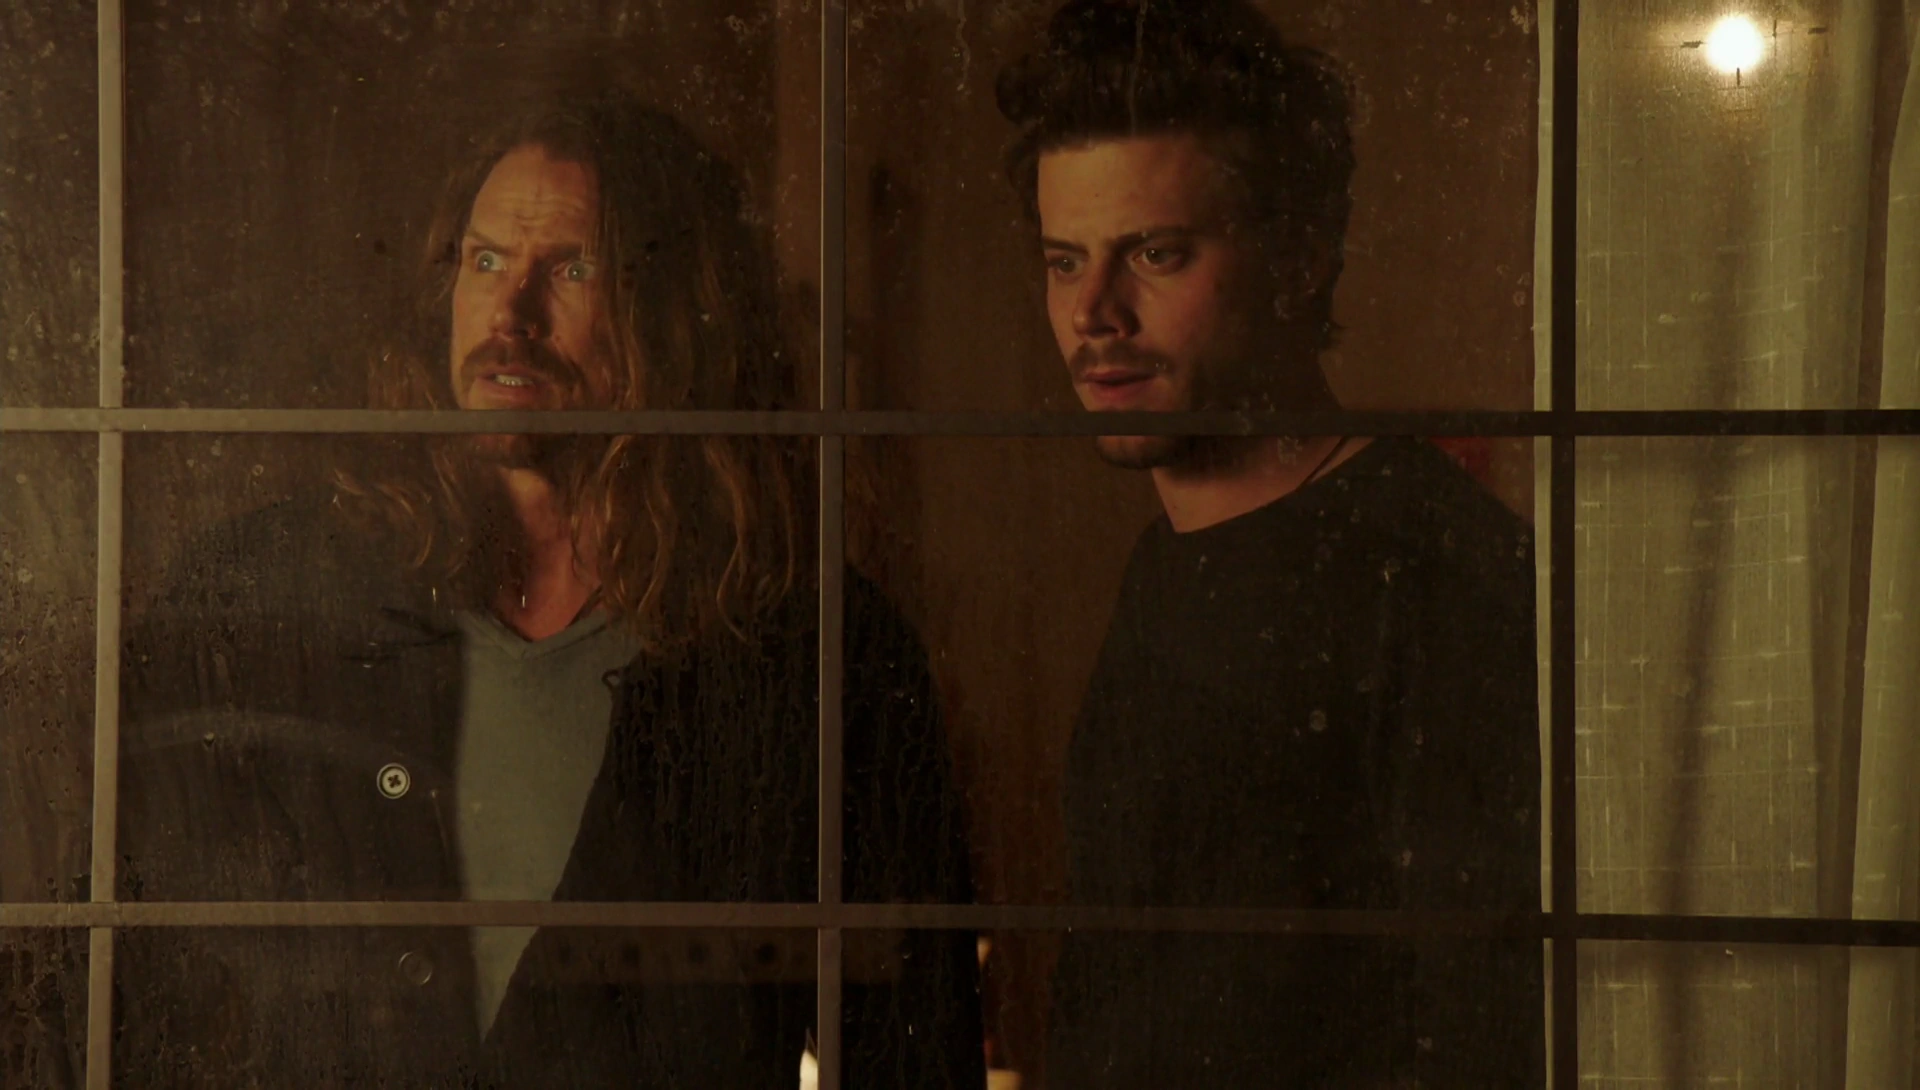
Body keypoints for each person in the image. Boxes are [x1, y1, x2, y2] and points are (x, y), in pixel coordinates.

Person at [101, 89, 983, 1087]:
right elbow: (110, 991)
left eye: (571, 269)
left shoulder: (812, 654)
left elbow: (915, 1050)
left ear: (677, 314)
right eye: (484, 262)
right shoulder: (262, 599)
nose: (508, 316)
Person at [996, 1, 1544, 1085]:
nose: (1094, 313)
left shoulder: (1435, 569)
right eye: (1064, 261)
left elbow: (1485, 1024)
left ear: (1298, 260)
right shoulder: (1163, 560)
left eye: (1156, 253)